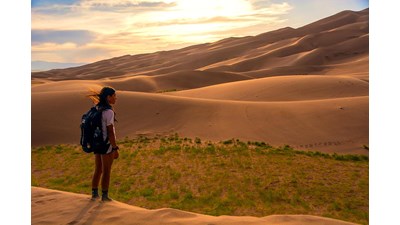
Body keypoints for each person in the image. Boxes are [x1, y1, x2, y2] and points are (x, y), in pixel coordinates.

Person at [87, 86, 119, 201]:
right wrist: (115, 148)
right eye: (114, 96)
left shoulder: (96, 108)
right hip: (106, 145)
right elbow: (110, 132)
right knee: (106, 171)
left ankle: (94, 193)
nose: (116, 98)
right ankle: (105, 196)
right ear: (108, 97)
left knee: (98, 169)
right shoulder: (108, 112)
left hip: (97, 143)